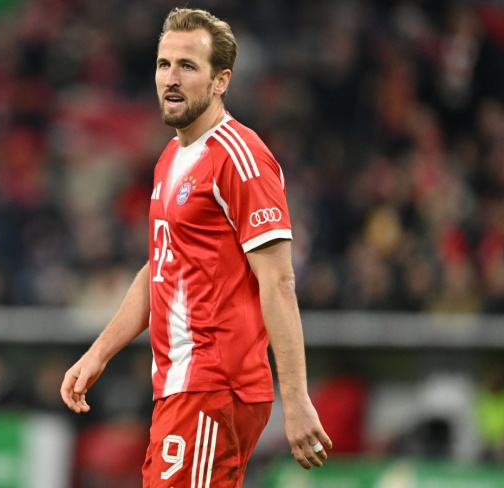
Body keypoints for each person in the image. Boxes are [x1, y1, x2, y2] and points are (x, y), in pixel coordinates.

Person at [61, 8, 332, 486]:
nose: (171, 78)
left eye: (187, 66)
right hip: (181, 388)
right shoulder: (171, 157)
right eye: (164, 64)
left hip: (215, 386)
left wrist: (295, 399)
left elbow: (279, 281)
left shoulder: (241, 158)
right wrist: (99, 353)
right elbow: (162, 266)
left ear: (220, 80)